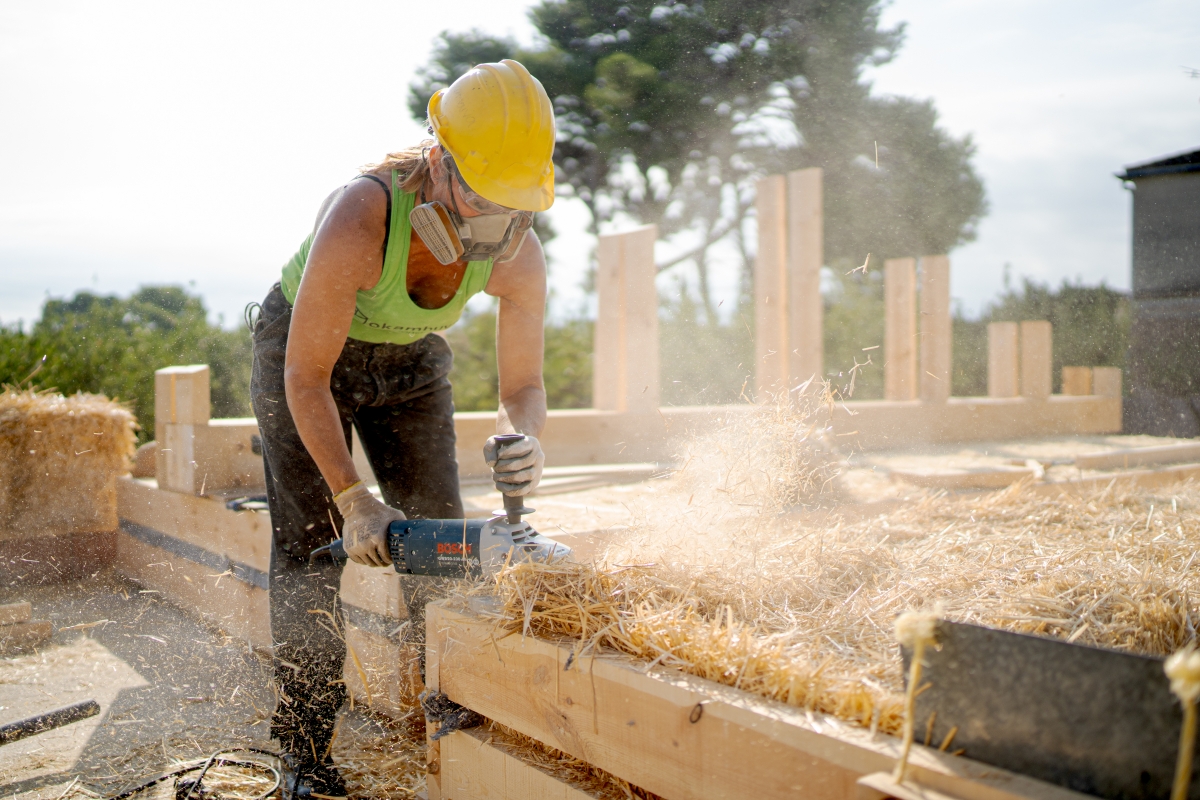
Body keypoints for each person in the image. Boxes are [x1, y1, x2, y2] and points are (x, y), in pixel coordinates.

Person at [248, 60, 554, 798]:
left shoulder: (518, 255)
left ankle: (448, 723)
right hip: (308, 356)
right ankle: (306, 754)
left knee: (442, 544)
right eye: (482, 198)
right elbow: (305, 379)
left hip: (412, 364)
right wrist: (354, 500)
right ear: (440, 162)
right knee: (309, 551)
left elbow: (524, 387)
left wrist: (528, 437)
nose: (495, 226)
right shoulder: (363, 216)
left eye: (515, 207)